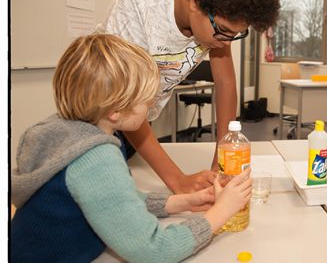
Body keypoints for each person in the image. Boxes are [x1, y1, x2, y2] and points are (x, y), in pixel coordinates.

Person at [10, 34, 253, 262]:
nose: (151, 106)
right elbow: (154, 250)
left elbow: (114, 201)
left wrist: (182, 202)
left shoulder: (66, 131)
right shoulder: (96, 158)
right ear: (115, 111)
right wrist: (221, 213)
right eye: (147, 101)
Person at [99, 0, 280, 193]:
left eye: (234, 35)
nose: (225, 42)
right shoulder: (137, 4)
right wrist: (178, 180)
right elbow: (123, 105)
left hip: (138, 122)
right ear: (195, 2)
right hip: (100, 123)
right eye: (223, 30)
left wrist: (221, 161)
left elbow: (225, 83)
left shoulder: (217, 4)